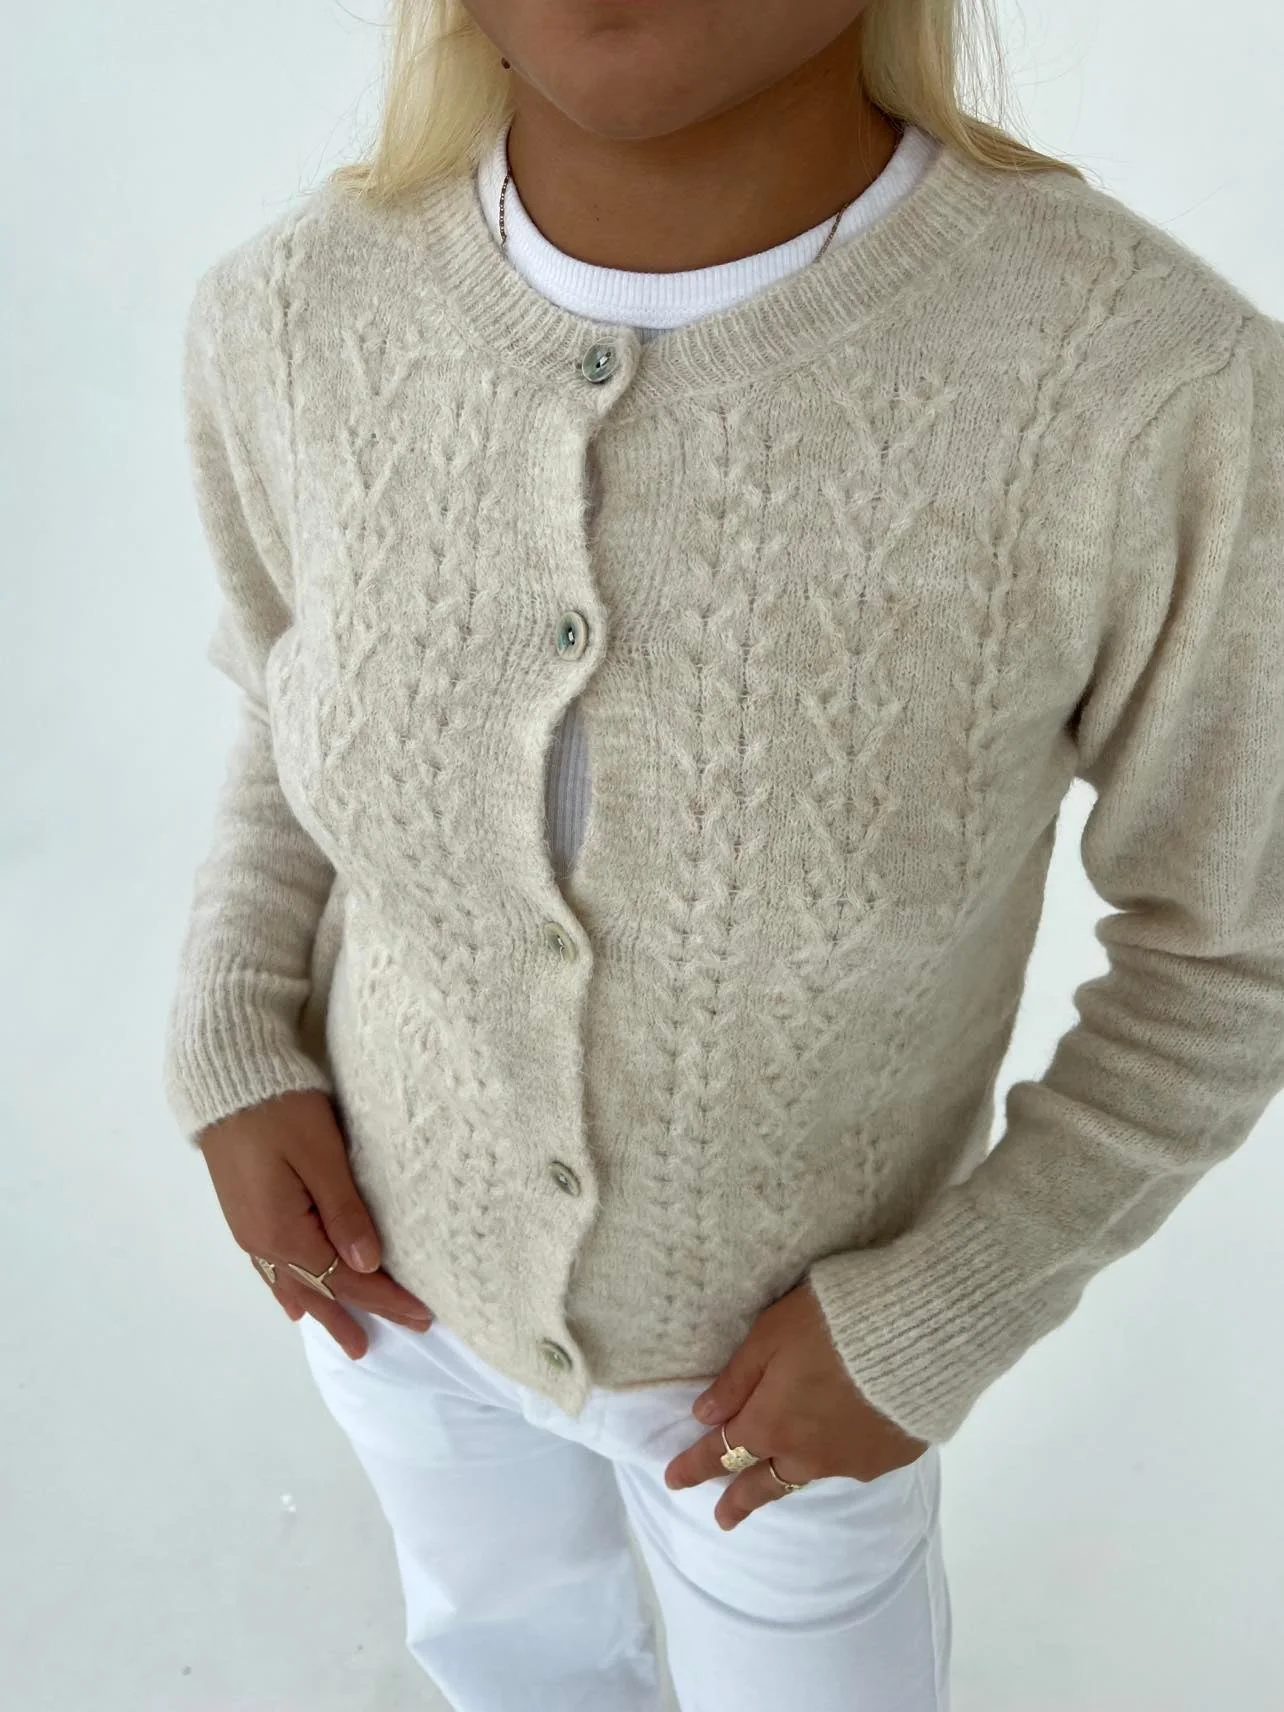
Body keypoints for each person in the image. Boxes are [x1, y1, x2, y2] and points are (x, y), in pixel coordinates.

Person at [162, 3, 1284, 1708]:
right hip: (388, 1285)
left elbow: (1236, 945)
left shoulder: (1143, 385)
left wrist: (951, 1307)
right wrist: (234, 1034)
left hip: (789, 1388)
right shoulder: (294, 311)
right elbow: (287, 699)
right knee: (509, 1663)